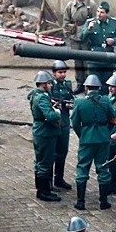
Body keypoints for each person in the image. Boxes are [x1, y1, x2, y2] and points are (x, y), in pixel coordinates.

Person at [71, 75, 116, 211]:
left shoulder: (79, 102)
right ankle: (103, 202)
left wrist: (83, 135)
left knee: (82, 168)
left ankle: (81, 201)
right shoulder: (106, 101)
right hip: (103, 138)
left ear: (86, 87)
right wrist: (106, 132)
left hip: (87, 138)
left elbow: (75, 123)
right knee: (103, 168)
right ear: (99, 88)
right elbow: (112, 118)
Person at [28, 70, 62, 202]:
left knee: (41, 161)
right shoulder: (42, 97)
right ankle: (44, 191)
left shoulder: (37, 94)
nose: (51, 85)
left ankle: (43, 189)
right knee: (45, 162)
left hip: (41, 131)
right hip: (45, 132)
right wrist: (57, 112)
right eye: (49, 83)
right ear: (43, 84)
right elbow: (50, 116)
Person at [80, 1, 116, 88]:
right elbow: (82, 38)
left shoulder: (113, 23)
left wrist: (113, 40)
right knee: (93, 82)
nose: (99, 14)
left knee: (106, 83)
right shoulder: (90, 22)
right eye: (98, 11)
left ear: (107, 13)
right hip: (94, 58)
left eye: (102, 12)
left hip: (108, 58)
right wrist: (89, 29)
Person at [62, 0, 96, 92]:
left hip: (86, 37)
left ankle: (88, 85)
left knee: (87, 63)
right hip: (74, 37)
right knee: (78, 62)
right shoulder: (70, 6)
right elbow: (66, 21)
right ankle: (80, 84)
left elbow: (95, 21)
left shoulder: (91, 5)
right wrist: (67, 33)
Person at [49, 60, 74, 191]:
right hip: (53, 122)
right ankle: (49, 181)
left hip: (64, 121)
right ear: (54, 73)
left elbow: (72, 98)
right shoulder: (49, 86)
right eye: (60, 72)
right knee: (51, 153)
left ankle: (59, 178)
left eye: (64, 72)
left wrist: (70, 104)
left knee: (62, 151)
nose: (63, 75)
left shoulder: (67, 85)